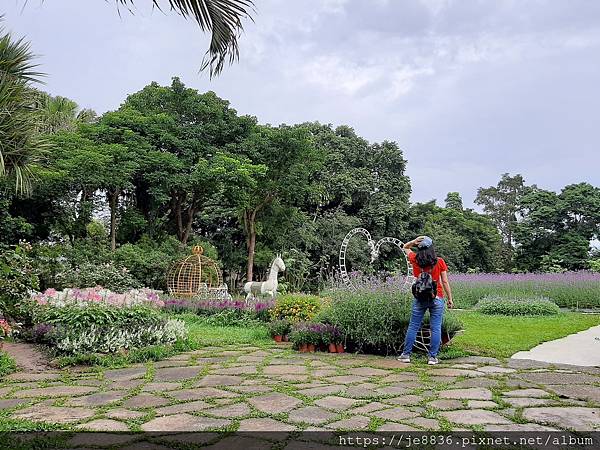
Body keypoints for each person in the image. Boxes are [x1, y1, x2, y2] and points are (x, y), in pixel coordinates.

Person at [398, 235, 453, 365]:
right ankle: (432, 357)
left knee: (413, 326)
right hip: (437, 297)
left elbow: (405, 247)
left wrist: (413, 242)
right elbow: (444, 281)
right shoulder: (439, 261)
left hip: (420, 297)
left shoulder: (414, 259)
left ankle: (406, 355)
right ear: (431, 247)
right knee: (435, 328)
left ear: (419, 248)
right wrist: (450, 298)